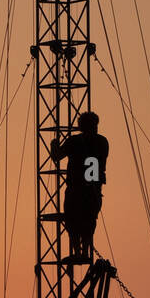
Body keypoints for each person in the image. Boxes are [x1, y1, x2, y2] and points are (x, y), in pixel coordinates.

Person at [49, 111, 109, 262]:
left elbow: (57, 156)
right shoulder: (102, 142)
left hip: (76, 190)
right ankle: (85, 252)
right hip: (93, 190)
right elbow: (97, 167)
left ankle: (77, 252)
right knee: (88, 222)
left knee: (72, 221)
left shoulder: (74, 141)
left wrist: (54, 144)